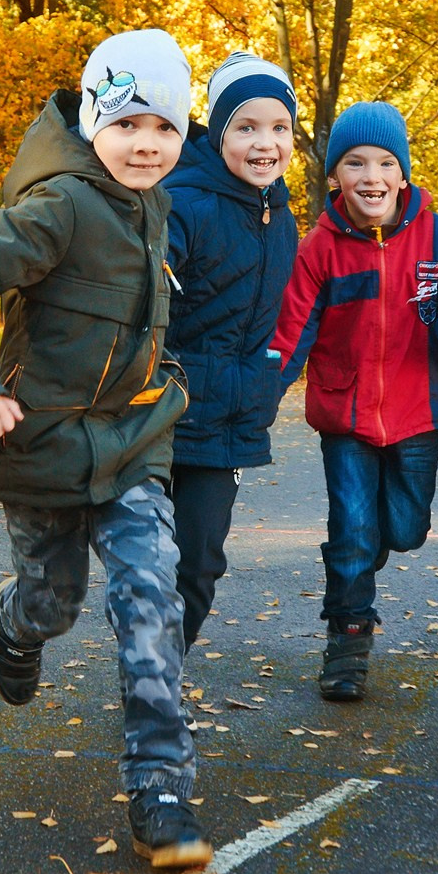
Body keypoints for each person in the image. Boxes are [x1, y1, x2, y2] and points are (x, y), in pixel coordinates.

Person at [0, 29, 213, 869]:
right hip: (41, 444)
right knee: (57, 603)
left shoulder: (152, 201)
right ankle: (16, 622)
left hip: (133, 439)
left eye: (165, 128)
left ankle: (160, 789)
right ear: (92, 122)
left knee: (150, 596)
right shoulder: (61, 207)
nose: (146, 144)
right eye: (127, 125)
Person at [271, 101, 438, 703]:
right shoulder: (320, 249)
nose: (371, 176)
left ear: (403, 173)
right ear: (336, 177)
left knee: (404, 530)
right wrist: (254, 397)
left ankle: (364, 549)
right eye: (354, 163)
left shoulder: (437, 237)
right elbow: (291, 332)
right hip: (346, 415)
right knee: (353, 528)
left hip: (416, 413)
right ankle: (348, 639)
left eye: (386, 163)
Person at [163, 51, 299, 650]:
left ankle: (158, 674)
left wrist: (272, 377)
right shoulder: (181, 203)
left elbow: (289, 319)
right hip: (159, 413)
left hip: (226, 426)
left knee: (199, 567)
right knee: (147, 568)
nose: (263, 143)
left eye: (279, 128)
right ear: (219, 133)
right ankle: (149, 686)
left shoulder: (282, 217)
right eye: (245, 127)